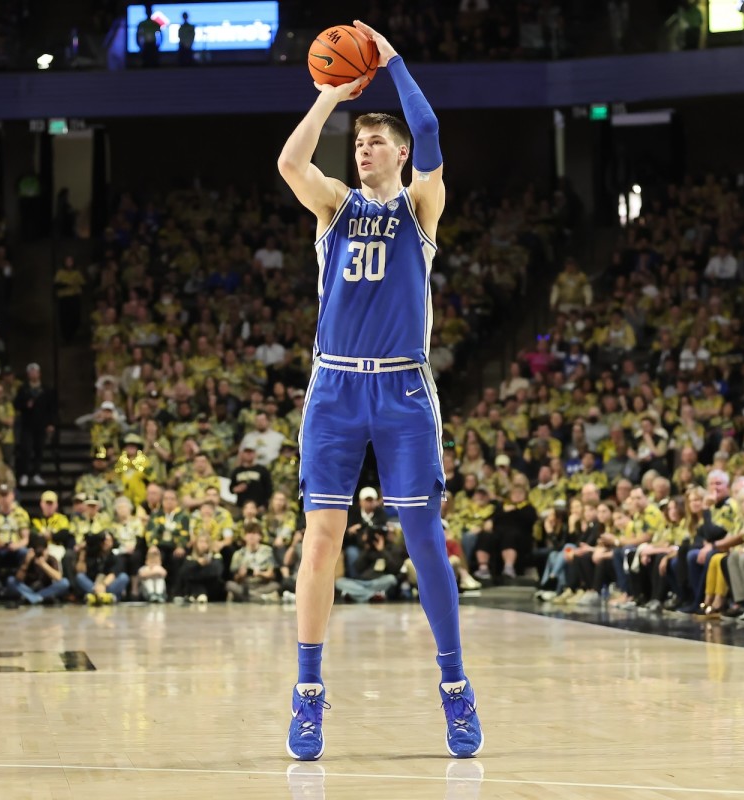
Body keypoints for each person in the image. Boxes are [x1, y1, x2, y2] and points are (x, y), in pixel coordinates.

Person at [276, 19, 482, 761]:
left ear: (400, 154)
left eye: (375, 142)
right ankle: (307, 695)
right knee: (320, 541)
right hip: (334, 387)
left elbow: (428, 128)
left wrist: (391, 60)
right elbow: (289, 160)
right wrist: (331, 98)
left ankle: (455, 688)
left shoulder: (420, 204)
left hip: (401, 391)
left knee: (425, 539)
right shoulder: (334, 205)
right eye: (358, 142)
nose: (363, 149)